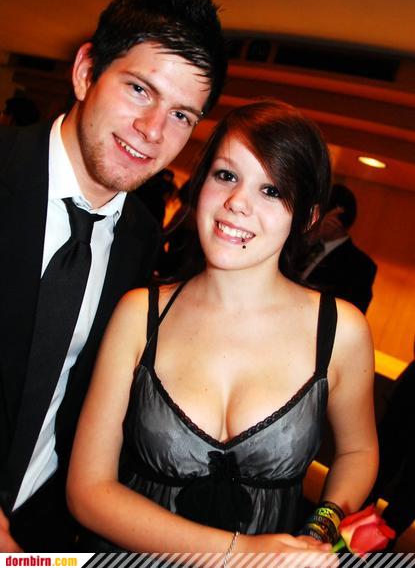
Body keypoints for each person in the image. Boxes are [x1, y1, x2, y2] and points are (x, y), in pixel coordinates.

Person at [67, 100, 378, 556]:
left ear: (308, 216)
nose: (237, 203)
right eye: (226, 175)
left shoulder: (339, 331)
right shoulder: (140, 314)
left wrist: (322, 526)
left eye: (271, 190)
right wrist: (239, 554)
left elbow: (357, 451)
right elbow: (88, 491)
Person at [0, 0, 227, 552]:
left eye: (181, 115)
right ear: (86, 72)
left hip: (43, 532)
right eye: (139, 89)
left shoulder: (141, 240)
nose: (153, 131)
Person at [366, 350, 415, 547]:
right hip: (409, 399)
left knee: (408, 495)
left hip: (408, 397)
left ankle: (380, 542)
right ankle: (350, 536)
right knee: (378, 467)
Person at [302, 184, 377, 314]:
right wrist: (311, 237)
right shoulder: (305, 245)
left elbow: (353, 313)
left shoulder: (360, 266)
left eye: (318, 215)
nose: (313, 221)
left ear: (335, 220)